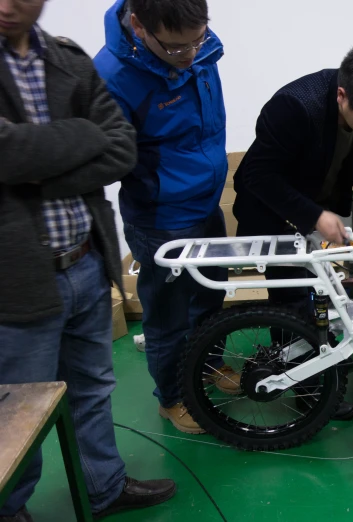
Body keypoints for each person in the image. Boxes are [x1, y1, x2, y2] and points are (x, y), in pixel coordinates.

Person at [0, 0, 176, 520]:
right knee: (17, 412)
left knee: (93, 390)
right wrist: (81, 138)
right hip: (16, 280)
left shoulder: (69, 61)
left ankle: (104, 488)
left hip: (85, 261)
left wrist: (30, 170)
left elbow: (121, 147)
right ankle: (10, 509)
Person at [232, 41, 353, 420]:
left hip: (317, 210)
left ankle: (319, 373)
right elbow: (258, 176)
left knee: (323, 296)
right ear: (342, 96)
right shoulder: (294, 106)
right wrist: (314, 216)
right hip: (270, 212)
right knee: (293, 301)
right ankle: (308, 395)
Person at [94, 0, 238, 435]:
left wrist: (187, 48)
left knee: (211, 296)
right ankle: (173, 397)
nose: (191, 54)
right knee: (167, 317)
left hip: (205, 204)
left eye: (199, 39)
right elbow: (111, 159)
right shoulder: (113, 77)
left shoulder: (199, 47)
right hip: (161, 220)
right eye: (177, 48)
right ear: (139, 27)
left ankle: (208, 365)